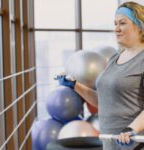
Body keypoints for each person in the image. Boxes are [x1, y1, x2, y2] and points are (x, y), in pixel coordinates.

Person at [55, 2, 144, 150]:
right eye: (115, 24)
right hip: (110, 143)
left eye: (122, 23)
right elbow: (104, 101)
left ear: (140, 26)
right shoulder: (115, 58)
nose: (116, 29)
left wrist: (132, 129)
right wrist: (75, 85)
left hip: (135, 144)